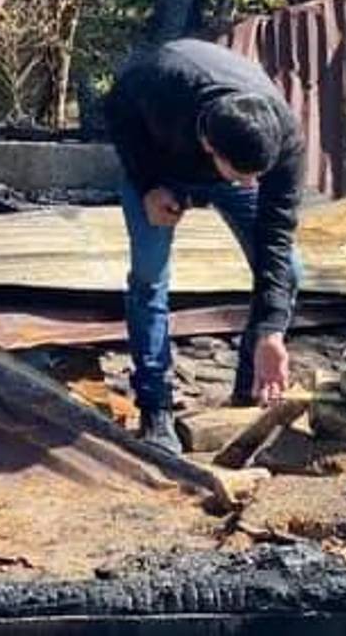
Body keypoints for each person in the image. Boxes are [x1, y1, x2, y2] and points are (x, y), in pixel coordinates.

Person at [103, 38, 304, 454]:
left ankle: (249, 391)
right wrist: (147, 187)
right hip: (160, 166)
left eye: (258, 175)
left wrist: (271, 331)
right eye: (242, 173)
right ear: (210, 146)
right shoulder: (164, 83)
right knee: (150, 281)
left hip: (211, 153)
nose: (252, 184)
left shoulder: (283, 139)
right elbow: (118, 110)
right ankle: (156, 410)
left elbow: (276, 240)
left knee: (290, 272)